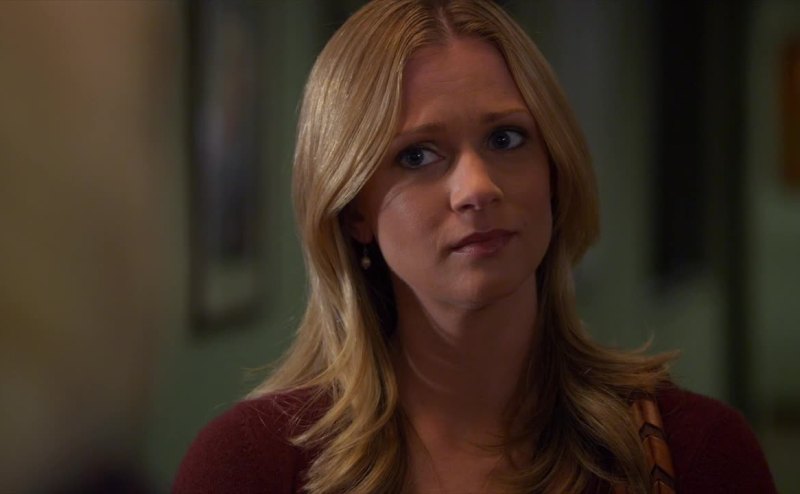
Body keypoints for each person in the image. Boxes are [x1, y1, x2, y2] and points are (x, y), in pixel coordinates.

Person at [173, 1, 777, 492]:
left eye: (506, 138)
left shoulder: (694, 452)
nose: (477, 188)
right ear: (354, 211)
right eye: (417, 155)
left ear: (554, 171)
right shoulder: (251, 467)